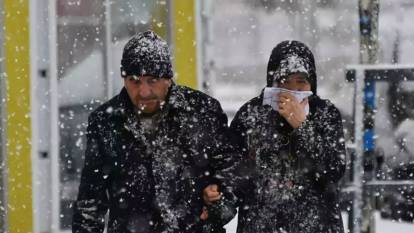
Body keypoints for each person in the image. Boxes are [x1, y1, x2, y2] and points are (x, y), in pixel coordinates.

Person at [72, 31, 236, 233]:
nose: (144, 92)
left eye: (152, 80)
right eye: (135, 80)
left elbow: (232, 178)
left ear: (168, 78)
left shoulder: (203, 112)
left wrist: (217, 205)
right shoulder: (105, 121)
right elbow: (90, 203)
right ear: (124, 79)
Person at [229, 40, 346, 233]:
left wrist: (303, 127)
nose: (293, 91)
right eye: (285, 82)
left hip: (316, 225)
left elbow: (334, 169)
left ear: (312, 83)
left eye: (301, 82)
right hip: (261, 225)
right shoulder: (251, 114)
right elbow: (233, 174)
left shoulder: (325, 113)